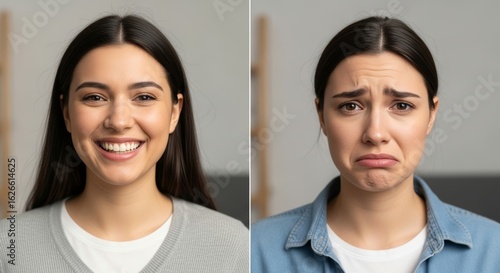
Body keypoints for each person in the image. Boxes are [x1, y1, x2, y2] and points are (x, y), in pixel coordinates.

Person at [0, 15, 248, 273]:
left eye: (143, 96)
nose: (118, 121)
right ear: (66, 114)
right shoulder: (8, 249)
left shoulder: (233, 249)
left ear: (175, 113)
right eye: (94, 97)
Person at [251, 16, 500, 273]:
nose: (375, 133)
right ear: (321, 116)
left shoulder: (493, 252)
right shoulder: (256, 252)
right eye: (351, 106)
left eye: (402, 106)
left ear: (431, 115)